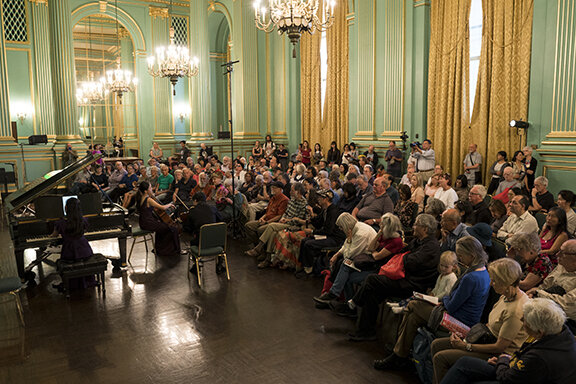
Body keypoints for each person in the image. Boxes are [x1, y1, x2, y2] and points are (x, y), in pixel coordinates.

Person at [376, 237, 491, 371]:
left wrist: (445, 300)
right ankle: (399, 355)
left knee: (414, 305)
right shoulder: (482, 272)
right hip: (461, 317)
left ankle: (398, 354)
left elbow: (451, 305)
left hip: (459, 322)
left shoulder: (471, 277)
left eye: (461, 256)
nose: (459, 259)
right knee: (413, 317)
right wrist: (447, 299)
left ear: (471, 255)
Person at [432, 257, 529, 383]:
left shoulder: (515, 310)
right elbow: (490, 325)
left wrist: (467, 345)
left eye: (494, 281)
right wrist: (466, 335)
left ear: (505, 282)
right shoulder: (506, 295)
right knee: (436, 344)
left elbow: (499, 347)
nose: (490, 284)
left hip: (498, 354)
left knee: (441, 358)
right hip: (486, 338)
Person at [347, 214, 442, 341]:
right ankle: (365, 330)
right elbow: (403, 254)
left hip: (412, 285)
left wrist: (404, 257)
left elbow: (410, 262)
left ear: (425, 229)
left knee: (372, 279)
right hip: (404, 278)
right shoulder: (418, 241)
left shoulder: (431, 246)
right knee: (372, 291)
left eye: (416, 224)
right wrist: (404, 256)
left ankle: (356, 303)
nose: (413, 226)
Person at [439, 298, 576, 384]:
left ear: (539, 332)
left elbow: (508, 379)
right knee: (465, 362)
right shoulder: (561, 330)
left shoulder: (540, 357)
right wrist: (505, 361)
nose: (522, 323)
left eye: (525, 323)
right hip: (519, 368)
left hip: (515, 376)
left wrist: (503, 360)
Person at [314, 213, 401, 305]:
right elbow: (370, 248)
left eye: (382, 225)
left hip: (377, 268)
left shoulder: (363, 234)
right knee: (344, 269)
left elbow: (371, 255)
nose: (380, 225)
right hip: (369, 261)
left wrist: (349, 239)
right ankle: (342, 301)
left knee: (344, 265)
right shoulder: (381, 235)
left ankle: (335, 295)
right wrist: (379, 233)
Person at [245, 183, 308, 267]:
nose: (290, 192)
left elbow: (298, 220)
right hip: (283, 221)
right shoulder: (292, 200)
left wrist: (286, 220)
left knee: (270, 226)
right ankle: (267, 258)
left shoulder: (303, 203)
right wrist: (283, 218)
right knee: (272, 233)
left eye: (292, 190)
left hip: (291, 225)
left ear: (298, 191)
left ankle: (258, 248)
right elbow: (286, 212)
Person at [526, 239, 576, 330]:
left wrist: (538, 293)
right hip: (545, 307)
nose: (557, 255)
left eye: (562, 252)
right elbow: (545, 285)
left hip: (566, 322)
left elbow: (567, 307)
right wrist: (534, 295)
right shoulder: (562, 264)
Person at [297, 189, 347, 277]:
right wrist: (312, 216)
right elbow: (318, 223)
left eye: (320, 198)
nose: (318, 199)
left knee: (309, 244)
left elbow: (329, 230)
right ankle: (304, 266)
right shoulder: (326, 210)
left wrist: (312, 232)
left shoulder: (333, 211)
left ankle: (309, 269)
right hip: (327, 235)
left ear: (326, 199)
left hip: (334, 239)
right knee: (304, 240)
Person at [50, 197, 95, 291]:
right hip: (85, 251)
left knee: (60, 262)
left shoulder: (60, 223)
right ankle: (87, 281)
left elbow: (53, 236)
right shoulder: (84, 220)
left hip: (69, 253)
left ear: (66, 208)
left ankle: (69, 284)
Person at [135, 181, 180, 257]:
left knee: (162, 227)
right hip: (148, 223)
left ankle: (160, 248)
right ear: (146, 191)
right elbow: (162, 207)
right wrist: (170, 204)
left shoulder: (140, 198)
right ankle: (172, 250)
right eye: (150, 188)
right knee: (172, 228)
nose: (151, 189)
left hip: (143, 222)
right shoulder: (148, 199)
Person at [244, 181, 289, 246]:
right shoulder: (273, 198)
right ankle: (257, 244)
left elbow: (279, 216)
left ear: (280, 189)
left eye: (274, 188)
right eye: (272, 188)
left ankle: (260, 248)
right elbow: (267, 211)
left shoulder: (284, 200)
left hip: (273, 222)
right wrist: (262, 218)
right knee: (248, 225)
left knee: (260, 229)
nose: (272, 189)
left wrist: (266, 222)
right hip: (266, 219)